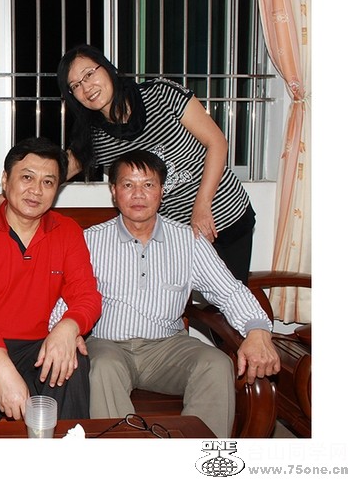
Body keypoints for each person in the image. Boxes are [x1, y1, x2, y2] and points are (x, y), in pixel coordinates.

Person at [0, 44, 255, 284]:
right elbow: (49, 174)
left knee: (228, 306)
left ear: (107, 68)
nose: (86, 87)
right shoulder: (95, 138)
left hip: (225, 216)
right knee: (178, 307)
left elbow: (217, 142)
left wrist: (202, 206)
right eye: (75, 85)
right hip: (175, 236)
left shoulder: (161, 94)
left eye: (89, 74)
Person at [82, 149, 279, 438]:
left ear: (162, 191)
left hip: (167, 348)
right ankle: (124, 456)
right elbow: (67, 296)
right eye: (128, 185)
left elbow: (229, 290)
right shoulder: (89, 241)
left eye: (148, 185)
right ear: (114, 191)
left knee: (216, 364)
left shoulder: (188, 240)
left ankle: (199, 456)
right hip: (108, 345)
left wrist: (258, 330)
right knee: (102, 367)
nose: (138, 194)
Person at [0, 136, 102, 422]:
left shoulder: (67, 231)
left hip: (38, 343)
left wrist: (68, 328)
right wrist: (2, 367)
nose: (36, 190)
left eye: (48, 182)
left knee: (71, 365)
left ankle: (67, 448)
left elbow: (87, 296)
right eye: (27, 178)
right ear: (6, 181)